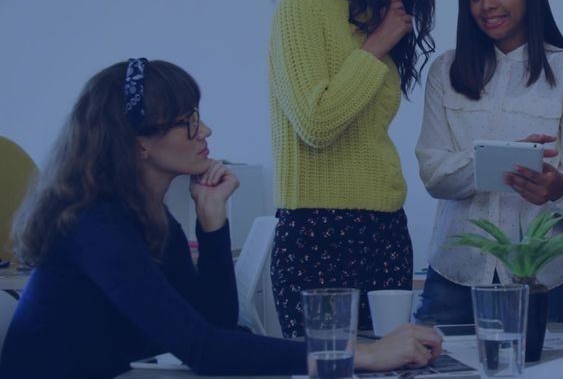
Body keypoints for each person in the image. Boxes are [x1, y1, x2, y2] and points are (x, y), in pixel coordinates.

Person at [0, 59, 442, 379]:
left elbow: (214, 325)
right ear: (139, 144)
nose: (206, 131)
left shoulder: (150, 217)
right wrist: (363, 354)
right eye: (187, 121)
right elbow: (204, 349)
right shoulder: (96, 225)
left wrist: (212, 224)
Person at [268, 0, 437, 336]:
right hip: (317, 227)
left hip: (386, 227)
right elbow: (316, 122)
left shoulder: (380, 17)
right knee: (329, 368)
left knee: (393, 363)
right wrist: (376, 45)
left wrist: (381, 36)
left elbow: (367, 130)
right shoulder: (301, 6)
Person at [414, 0, 563, 324]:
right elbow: (433, 176)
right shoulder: (445, 71)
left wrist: (558, 187)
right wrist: (498, 159)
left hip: (544, 274)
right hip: (456, 272)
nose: (486, 5)